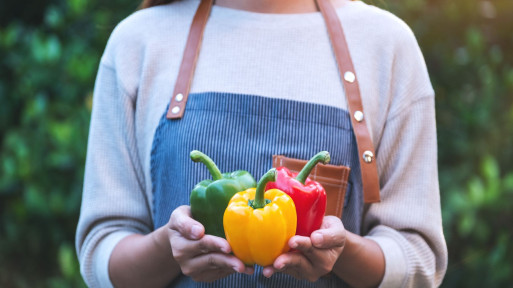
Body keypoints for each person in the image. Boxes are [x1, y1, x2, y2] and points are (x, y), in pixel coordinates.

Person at [75, 0, 448, 287]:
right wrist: (168, 248)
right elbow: (101, 250)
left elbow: (419, 259)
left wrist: (343, 251)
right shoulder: (137, 43)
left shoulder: (386, 46)